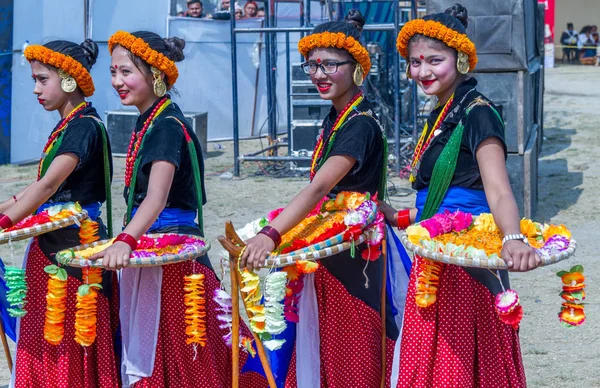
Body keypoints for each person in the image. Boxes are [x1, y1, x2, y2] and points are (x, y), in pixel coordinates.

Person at [95, 30, 265, 387]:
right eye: (113, 72)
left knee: (186, 359)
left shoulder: (167, 128)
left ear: (156, 74)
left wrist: (125, 240)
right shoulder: (151, 121)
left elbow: (156, 198)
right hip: (154, 252)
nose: (117, 82)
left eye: (126, 72)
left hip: (172, 262)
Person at [241, 9, 398, 387]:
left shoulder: (359, 124)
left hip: (354, 254)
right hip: (334, 246)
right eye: (312, 66)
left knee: (353, 348)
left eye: (330, 65)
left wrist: (272, 234)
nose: (319, 75)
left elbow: (319, 189)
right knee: (324, 343)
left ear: (358, 66)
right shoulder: (337, 118)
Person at [388, 4, 541, 387]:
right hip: (436, 253)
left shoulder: (478, 113)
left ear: (461, 60)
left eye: (434, 60)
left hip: (467, 258)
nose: (423, 72)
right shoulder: (441, 112)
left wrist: (513, 238)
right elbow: (443, 192)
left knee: (462, 363)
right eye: (415, 62)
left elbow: (497, 188)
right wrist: (401, 216)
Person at [2, 39, 119, 387]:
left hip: (73, 250)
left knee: (68, 333)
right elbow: (33, 191)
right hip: (56, 245)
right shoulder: (69, 125)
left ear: (69, 79)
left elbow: (48, 187)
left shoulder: (83, 126)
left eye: (42, 80)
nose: (36, 89)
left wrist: (5, 222)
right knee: (50, 332)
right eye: (34, 81)